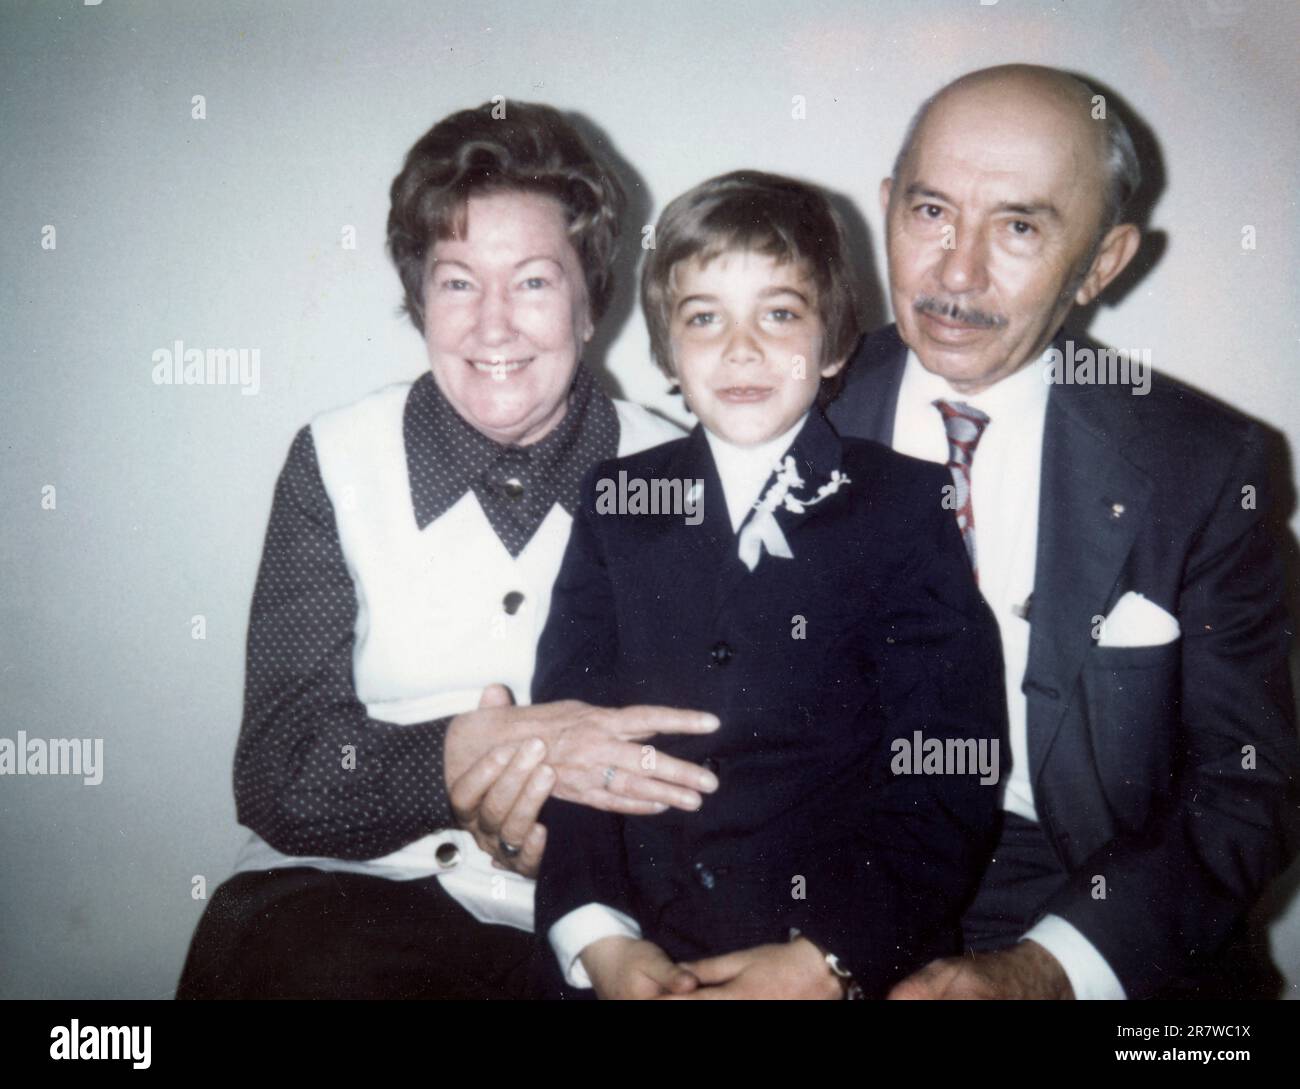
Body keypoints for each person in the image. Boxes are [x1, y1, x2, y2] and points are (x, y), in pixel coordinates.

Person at [175, 101, 723, 1000]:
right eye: (458, 281)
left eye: (536, 282)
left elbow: (719, 747)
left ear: (591, 304)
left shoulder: (681, 477)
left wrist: (575, 840)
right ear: (418, 299)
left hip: (592, 926)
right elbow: (277, 771)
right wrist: (469, 756)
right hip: (340, 897)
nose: (493, 325)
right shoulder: (334, 459)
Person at [828, 64, 1300, 999]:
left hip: (1095, 913)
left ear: (1103, 260)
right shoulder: (785, 410)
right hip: (836, 880)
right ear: (885, 208)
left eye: (1019, 226)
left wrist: (1043, 973)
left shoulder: (1204, 466)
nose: (956, 274)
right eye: (930, 213)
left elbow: (1249, 785)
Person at [531, 171, 1007, 1000]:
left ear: (831, 346)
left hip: (837, 957)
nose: (741, 349)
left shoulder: (903, 507)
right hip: (644, 950)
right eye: (704, 318)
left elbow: (948, 764)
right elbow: (574, 742)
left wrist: (828, 954)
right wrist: (597, 935)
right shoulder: (615, 504)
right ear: (668, 354)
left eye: (779, 313)